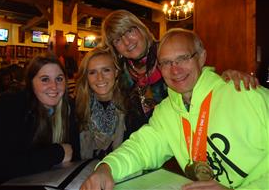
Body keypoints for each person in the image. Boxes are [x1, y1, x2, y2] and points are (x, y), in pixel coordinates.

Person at [80, 28, 269, 190]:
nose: (175, 70)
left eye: (183, 58)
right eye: (166, 63)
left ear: (201, 57)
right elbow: (140, 148)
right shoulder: (166, 112)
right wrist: (107, 168)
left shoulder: (246, 95)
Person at [101, 10, 259, 134]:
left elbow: (200, 75)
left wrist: (229, 76)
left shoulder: (168, 51)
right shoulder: (119, 74)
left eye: (129, 31)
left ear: (141, 29)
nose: (126, 41)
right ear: (114, 47)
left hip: (184, 140)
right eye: (117, 39)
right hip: (144, 146)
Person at [0, 53, 80, 187]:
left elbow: (73, 154)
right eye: (45, 79)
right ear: (30, 83)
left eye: (59, 79)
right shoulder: (9, 105)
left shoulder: (68, 108)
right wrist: (57, 153)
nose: (54, 86)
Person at [75, 47, 126, 160]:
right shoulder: (77, 109)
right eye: (92, 72)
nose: (100, 78)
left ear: (116, 72)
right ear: (86, 77)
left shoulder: (130, 107)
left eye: (106, 70)